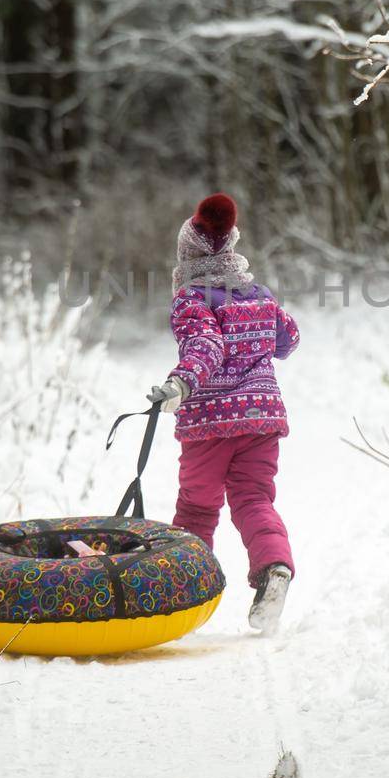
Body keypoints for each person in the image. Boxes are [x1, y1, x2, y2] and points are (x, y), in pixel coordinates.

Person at [149, 193, 300, 635]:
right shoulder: (258, 295)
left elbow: (206, 346)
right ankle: (274, 567)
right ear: (231, 248)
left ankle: (181, 595)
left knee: (196, 509)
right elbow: (287, 339)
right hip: (261, 418)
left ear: (187, 255)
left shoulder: (192, 298)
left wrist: (180, 385)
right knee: (254, 500)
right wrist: (263, 310)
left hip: (210, 424)